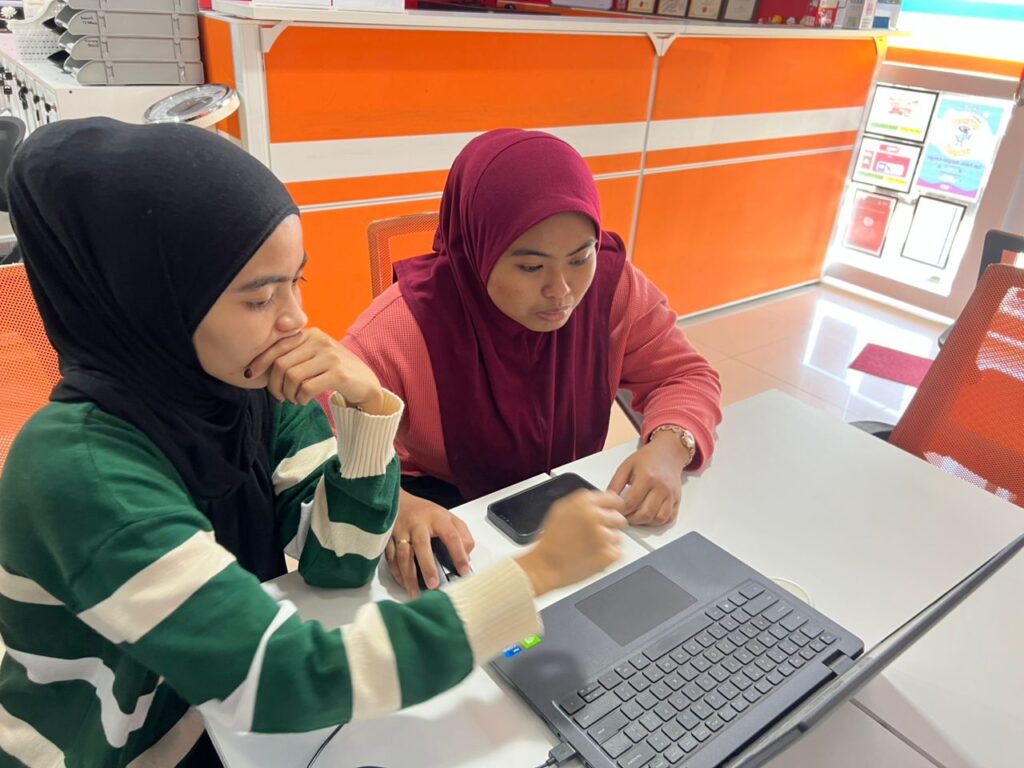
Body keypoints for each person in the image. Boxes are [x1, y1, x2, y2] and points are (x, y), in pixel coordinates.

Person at [0, 118, 628, 767]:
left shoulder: (251, 391)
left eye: (295, 281)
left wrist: (370, 407)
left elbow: (339, 562)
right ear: (152, 303)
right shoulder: (80, 473)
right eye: (259, 298)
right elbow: (282, 678)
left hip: (216, 715)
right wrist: (534, 574)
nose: (296, 318)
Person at [344, 129, 722, 596]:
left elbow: (684, 374)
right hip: (451, 513)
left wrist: (670, 445)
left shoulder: (611, 286)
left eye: (580, 258)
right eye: (530, 266)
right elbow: (321, 442)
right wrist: (395, 503)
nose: (560, 291)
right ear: (478, 249)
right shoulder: (405, 323)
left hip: (570, 502)